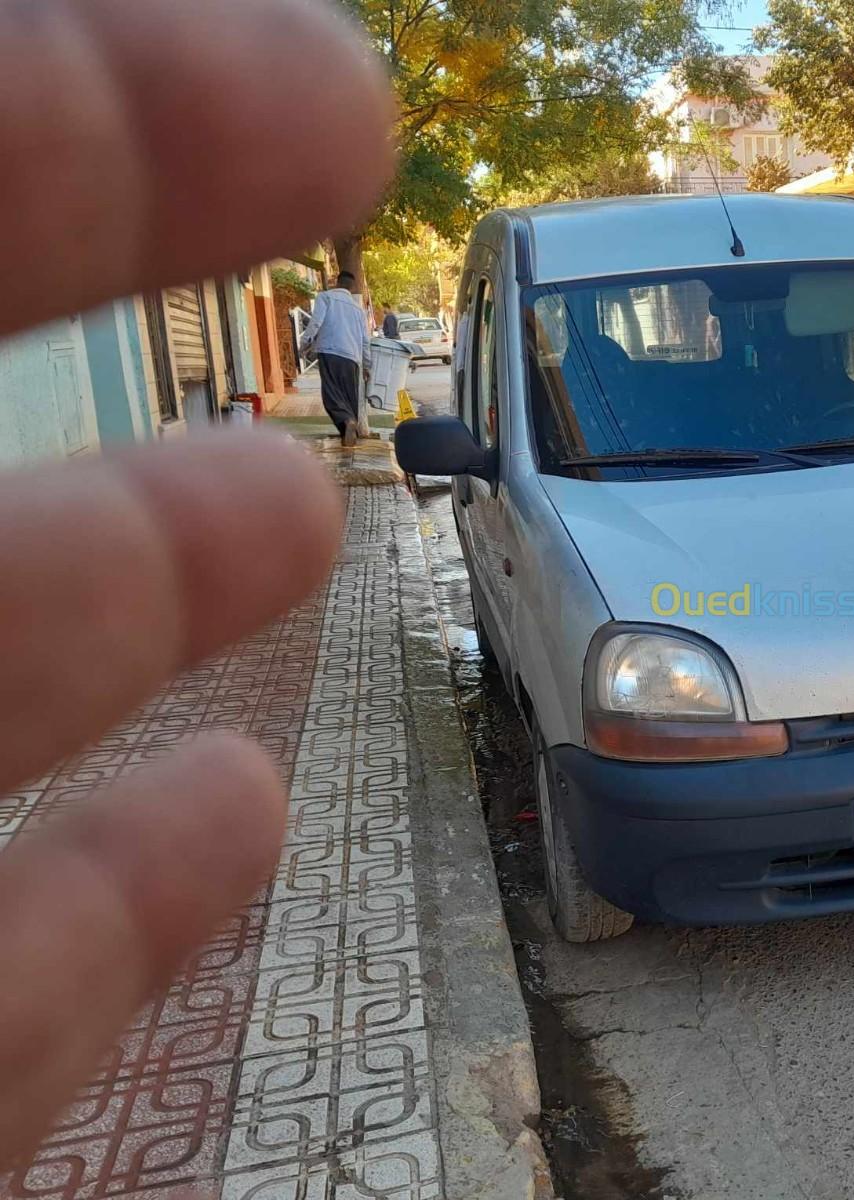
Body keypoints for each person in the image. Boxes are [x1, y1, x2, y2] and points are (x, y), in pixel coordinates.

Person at [0, 0, 393, 1171]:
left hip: (327, 384)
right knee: (315, 430)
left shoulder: (335, 304)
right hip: (322, 386)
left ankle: (345, 430)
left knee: (315, 436)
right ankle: (342, 431)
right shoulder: (326, 305)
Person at [298, 270, 372, 446]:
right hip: (352, 358)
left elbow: (316, 322)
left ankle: (347, 422)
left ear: (337, 282)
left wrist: (305, 343)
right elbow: (365, 340)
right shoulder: (357, 309)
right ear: (352, 287)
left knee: (332, 394)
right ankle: (348, 432)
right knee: (349, 397)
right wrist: (367, 365)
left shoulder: (326, 297)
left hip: (330, 352)